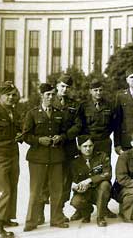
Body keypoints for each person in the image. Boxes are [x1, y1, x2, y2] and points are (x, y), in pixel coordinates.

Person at [22, 83, 70, 232]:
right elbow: (26, 135)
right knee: (35, 191)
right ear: (41, 96)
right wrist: (38, 140)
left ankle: (56, 219)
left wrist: (60, 137)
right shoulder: (32, 113)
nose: (50, 97)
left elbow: (64, 132)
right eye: (47, 94)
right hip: (38, 158)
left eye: (52, 94)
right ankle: (31, 221)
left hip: (56, 157)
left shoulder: (59, 113)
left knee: (57, 190)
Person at [0, 82, 22, 237]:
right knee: (3, 191)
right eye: (7, 94)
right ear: (0, 96)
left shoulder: (13, 112)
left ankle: (6, 218)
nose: (11, 97)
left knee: (12, 187)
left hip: (13, 155)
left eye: (13, 94)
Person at [53, 74, 83, 218]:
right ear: (57, 86)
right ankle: (40, 212)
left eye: (67, 87)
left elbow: (78, 125)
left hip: (68, 148)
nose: (65, 89)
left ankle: (60, 210)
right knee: (50, 180)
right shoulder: (50, 101)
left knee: (66, 180)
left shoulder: (74, 104)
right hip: (52, 148)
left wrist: (64, 137)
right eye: (62, 86)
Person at [69, 135, 112, 227]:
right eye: (85, 146)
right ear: (79, 147)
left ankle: (100, 217)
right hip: (85, 192)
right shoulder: (75, 162)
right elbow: (74, 180)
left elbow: (107, 174)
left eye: (90, 146)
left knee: (105, 184)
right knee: (75, 201)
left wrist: (89, 180)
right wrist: (77, 187)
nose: (88, 149)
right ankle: (87, 212)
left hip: (99, 191)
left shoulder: (102, 156)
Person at [80, 79, 117, 155]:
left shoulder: (109, 105)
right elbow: (81, 124)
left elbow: (113, 124)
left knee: (104, 165)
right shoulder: (84, 106)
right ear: (90, 91)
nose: (98, 93)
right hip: (89, 143)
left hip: (104, 142)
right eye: (95, 90)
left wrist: (105, 134)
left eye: (100, 90)